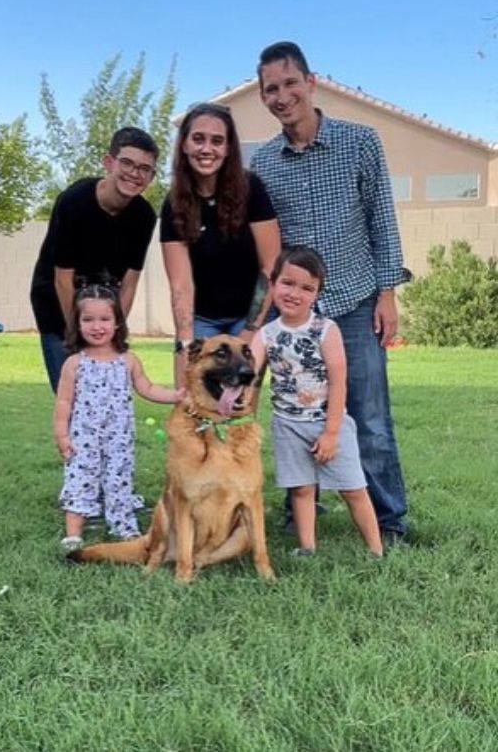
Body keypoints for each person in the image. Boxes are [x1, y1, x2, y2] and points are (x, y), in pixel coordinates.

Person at [251, 41, 409, 546]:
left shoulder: (360, 141)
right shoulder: (264, 164)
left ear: (310, 82)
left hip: (357, 301)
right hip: (296, 313)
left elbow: (382, 220)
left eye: (290, 83)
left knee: (370, 418)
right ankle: (301, 511)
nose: (282, 96)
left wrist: (388, 294)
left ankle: (389, 521)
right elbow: (267, 243)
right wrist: (266, 308)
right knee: (292, 408)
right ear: (262, 96)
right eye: (270, 89)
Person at [251, 247, 383, 557]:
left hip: (328, 423)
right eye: (287, 283)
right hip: (287, 425)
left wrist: (332, 432)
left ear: (317, 294)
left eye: (307, 288)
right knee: (301, 489)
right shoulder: (266, 334)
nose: (295, 293)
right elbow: (248, 371)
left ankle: (376, 550)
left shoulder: (326, 330)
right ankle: (307, 547)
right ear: (272, 285)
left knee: (353, 489)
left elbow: (339, 383)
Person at [54, 284, 184, 551]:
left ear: (117, 323)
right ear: (77, 324)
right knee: (80, 480)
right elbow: (64, 401)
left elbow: (147, 388)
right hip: (84, 440)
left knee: (119, 480)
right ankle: (74, 533)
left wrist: (176, 396)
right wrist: (62, 435)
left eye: (104, 319)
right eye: (88, 319)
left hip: (119, 440)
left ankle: (123, 527)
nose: (96, 326)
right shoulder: (74, 363)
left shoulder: (128, 360)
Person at [30, 126, 159, 392]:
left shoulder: (143, 216)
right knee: (73, 400)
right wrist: (77, 336)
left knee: (105, 397)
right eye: (127, 163)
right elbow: (63, 280)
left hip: (103, 308)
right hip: (58, 308)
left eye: (144, 169)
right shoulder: (74, 202)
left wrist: (115, 334)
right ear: (108, 162)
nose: (135, 174)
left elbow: (129, 283)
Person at [160, 102, 280, 386]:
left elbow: (270, 266)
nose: (207, 149)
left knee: (239, 403)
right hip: (202, 319)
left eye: (217, 141)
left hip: (249, 314)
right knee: (190, 400)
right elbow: (181, 285)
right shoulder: (174, 203)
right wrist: (186, 343)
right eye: (198, 139)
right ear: (184, 145)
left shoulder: (252, 189)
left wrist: (249, 335)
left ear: (228, 148)